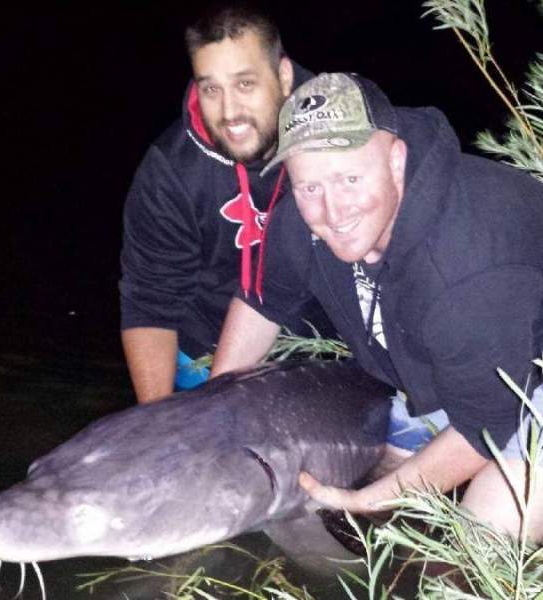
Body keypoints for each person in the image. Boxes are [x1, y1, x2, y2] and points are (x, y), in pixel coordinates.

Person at [211, 72, 543, 542]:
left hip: (520, 359)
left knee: (483, 533)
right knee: (381, 474)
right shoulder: (301, 220)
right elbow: (264, 304)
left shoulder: (467, 268)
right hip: (472, 362)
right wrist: (211, 414)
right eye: (310, 187)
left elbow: (484, 423)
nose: (332, 211)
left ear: (396, 159)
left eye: (350, 178)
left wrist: (369, 500)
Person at [119, 3, 332, 403]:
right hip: (204, 348)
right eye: (211, 89)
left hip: (323, 352)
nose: (229, 111)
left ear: (283, 76)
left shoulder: (336, 141)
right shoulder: (170, 171)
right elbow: (149, 303)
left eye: (245, 84)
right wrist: (161, 421)